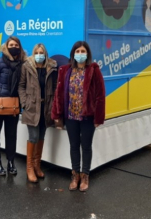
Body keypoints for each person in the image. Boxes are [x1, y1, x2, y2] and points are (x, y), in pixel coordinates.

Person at [51, 41, 106, 192]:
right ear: (73, 54)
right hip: (70, 116)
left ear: (87, 54)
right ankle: (75, 175)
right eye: (78, 51)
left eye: (83, 51)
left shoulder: (94, 71)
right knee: (74, 146)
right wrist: (57, 114)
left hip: (88, 117)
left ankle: (85, 175)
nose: (80, 54)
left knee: (86, 147)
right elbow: (58, 93)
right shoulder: (65, 70)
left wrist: (98, 118)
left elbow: (100, 96)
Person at [0, 36, 27, 176]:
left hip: (14, 106)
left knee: (11, 135)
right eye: (11, 44)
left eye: (16, 44)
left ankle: (11, 162)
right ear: (6, 47)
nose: (13, 47)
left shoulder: (23, 64)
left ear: (19, 47)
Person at [18, 43, 58, 183]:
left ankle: (37, 165)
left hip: (45, 109)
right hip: (31, 108)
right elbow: (21, 86)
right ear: (33, 54)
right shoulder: (26, 67)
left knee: (41, 136)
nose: (39, 55)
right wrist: (24, 103)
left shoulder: (52, 67)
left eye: (41, 52)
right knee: (33, 136)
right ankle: (29, 168)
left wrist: (53, 105)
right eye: (37, 53)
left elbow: (54, 87)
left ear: (45, 54)